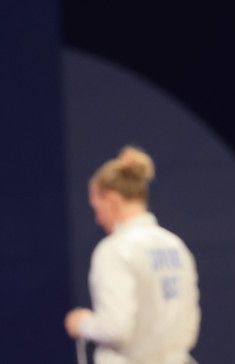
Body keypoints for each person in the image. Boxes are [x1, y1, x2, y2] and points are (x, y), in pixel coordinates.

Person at [64, 145, 201, 364]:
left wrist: (82, 323)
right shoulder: (176, 246)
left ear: (111, 201)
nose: (98, 219)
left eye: (96, 208)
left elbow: (116, 328)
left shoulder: (115, 250)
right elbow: (190, 325)